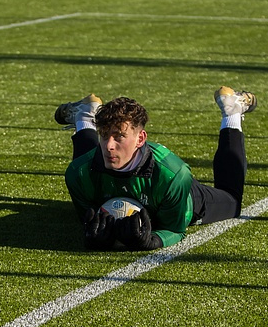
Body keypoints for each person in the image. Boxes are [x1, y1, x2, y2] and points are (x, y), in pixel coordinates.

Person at [57, 87, 257, 251]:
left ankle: (231, 112)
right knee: (89, 163)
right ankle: (85, 115)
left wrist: (152, 241)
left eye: (119, 137)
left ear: (140, 139)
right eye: (104, 135)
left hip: (185, 198)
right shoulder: (77, 173)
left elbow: (175, 230)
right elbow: (90, 221)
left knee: (233, 203)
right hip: (104, 176)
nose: (109, 145)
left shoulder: (173, 175)